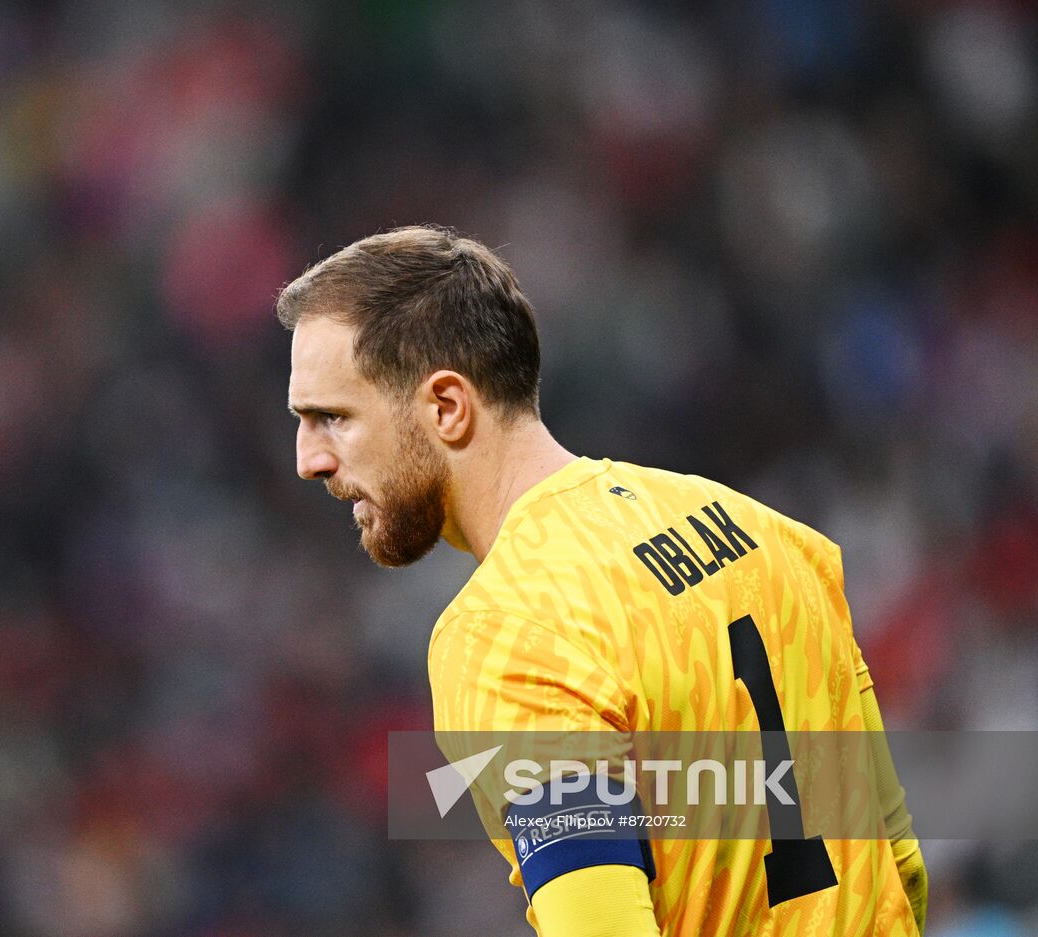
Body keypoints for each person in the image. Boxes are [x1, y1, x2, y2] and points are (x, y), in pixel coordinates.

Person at [279, 225, 928, 936]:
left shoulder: (509, 632)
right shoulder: (763, 530)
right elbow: (901, 864)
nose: (310, 459)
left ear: (445, 406)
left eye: (333, 418)